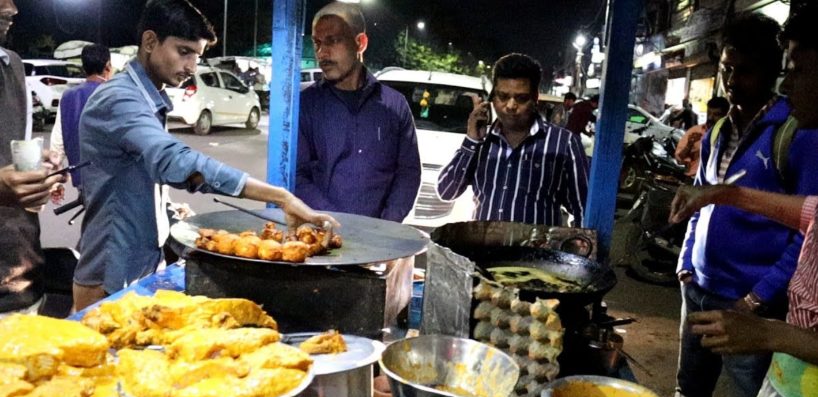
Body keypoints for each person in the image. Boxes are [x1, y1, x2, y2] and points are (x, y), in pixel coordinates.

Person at [73, 0, 338, 311]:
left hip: (139, 265)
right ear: (149, 42)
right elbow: (174, 160)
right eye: (183, 52)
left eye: (196, 57)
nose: (191, 67)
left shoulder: (147, 99)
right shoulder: (119, 99)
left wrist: (167, 212)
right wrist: (280, 196)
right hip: (109, 275)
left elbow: (132, 179)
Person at [666, 7, 818, 397]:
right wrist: (687, 263)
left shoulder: (796, 136)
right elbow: (702, 199)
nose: (730, 81)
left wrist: (756, 305)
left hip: (750, 306)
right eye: (726, 69)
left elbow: (804, 233)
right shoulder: (716, 131)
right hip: (703, 292)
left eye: (743, 71)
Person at [296, 2, 420, 222]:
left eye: (333, 41)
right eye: (317, 43)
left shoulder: (394, 105)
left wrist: (387, 225)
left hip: (379, 241)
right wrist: (335, 224)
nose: (322, 53)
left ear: (360, 43)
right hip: (321, 240)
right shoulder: (306, 105)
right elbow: (297, 175)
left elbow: (408, 172)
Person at [437, 53, 588, 225]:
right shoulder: (481, 142)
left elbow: (583, 208)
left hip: (535, 251)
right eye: (503, 96)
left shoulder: (564, 143)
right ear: (492, 97)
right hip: (482, 250)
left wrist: (574, 246)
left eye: (521, 98)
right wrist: (471, 141)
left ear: (535, 98)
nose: (510, 106)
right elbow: (446, 192)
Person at [0, 0, 66, 315]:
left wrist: (40, 169)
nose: (12, 10)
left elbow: (15, 150)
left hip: (21, 279)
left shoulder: (11, 66)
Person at [50, 43, 112, 190]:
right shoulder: (113, 94)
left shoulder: (67, 96)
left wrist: (55, 181)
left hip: (81, 180)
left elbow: (57, 141)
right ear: (108, 66)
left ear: (84, 68)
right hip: (111, 181)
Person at [674, 96, 729, 176]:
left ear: (725, 116)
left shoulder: (730, 136)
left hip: (717, 184)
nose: (710, 117)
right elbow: (679, 158)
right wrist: (689, 145)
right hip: (693, 180)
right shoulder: (695, 131)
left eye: (716, 115)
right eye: (709, 113)